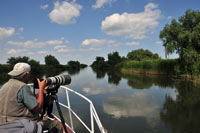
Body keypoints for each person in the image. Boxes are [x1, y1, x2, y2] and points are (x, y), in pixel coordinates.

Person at [0, 62, 62, 132]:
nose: (30, 76)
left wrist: (42, 92)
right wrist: (41, 88)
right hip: (20, 126)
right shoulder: (23, 87)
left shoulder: (5, 86)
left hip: (4, 125)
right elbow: (38, 109)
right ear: (26, 74)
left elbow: (21, 100)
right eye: (29, 74)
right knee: (57, 124)